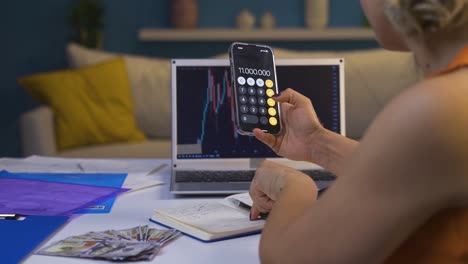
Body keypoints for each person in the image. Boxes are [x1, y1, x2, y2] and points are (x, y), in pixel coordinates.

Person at [249, 0, 468, 263]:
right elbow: (410, 171)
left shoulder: (436, 110)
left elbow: (287, 259)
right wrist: (317, 143)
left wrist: (291, 186)